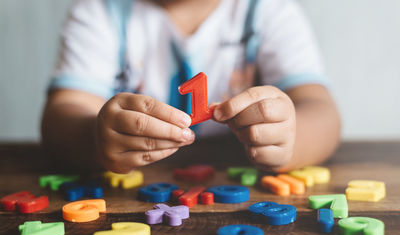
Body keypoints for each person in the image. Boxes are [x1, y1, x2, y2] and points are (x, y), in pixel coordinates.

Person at [41, 0, 341, 173]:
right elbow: (62, 114)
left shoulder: (268, 9)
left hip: (237, 180)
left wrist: (292, 140)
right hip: (134, 184)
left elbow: (321, 111)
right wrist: (94, 139)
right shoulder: (100, 10)